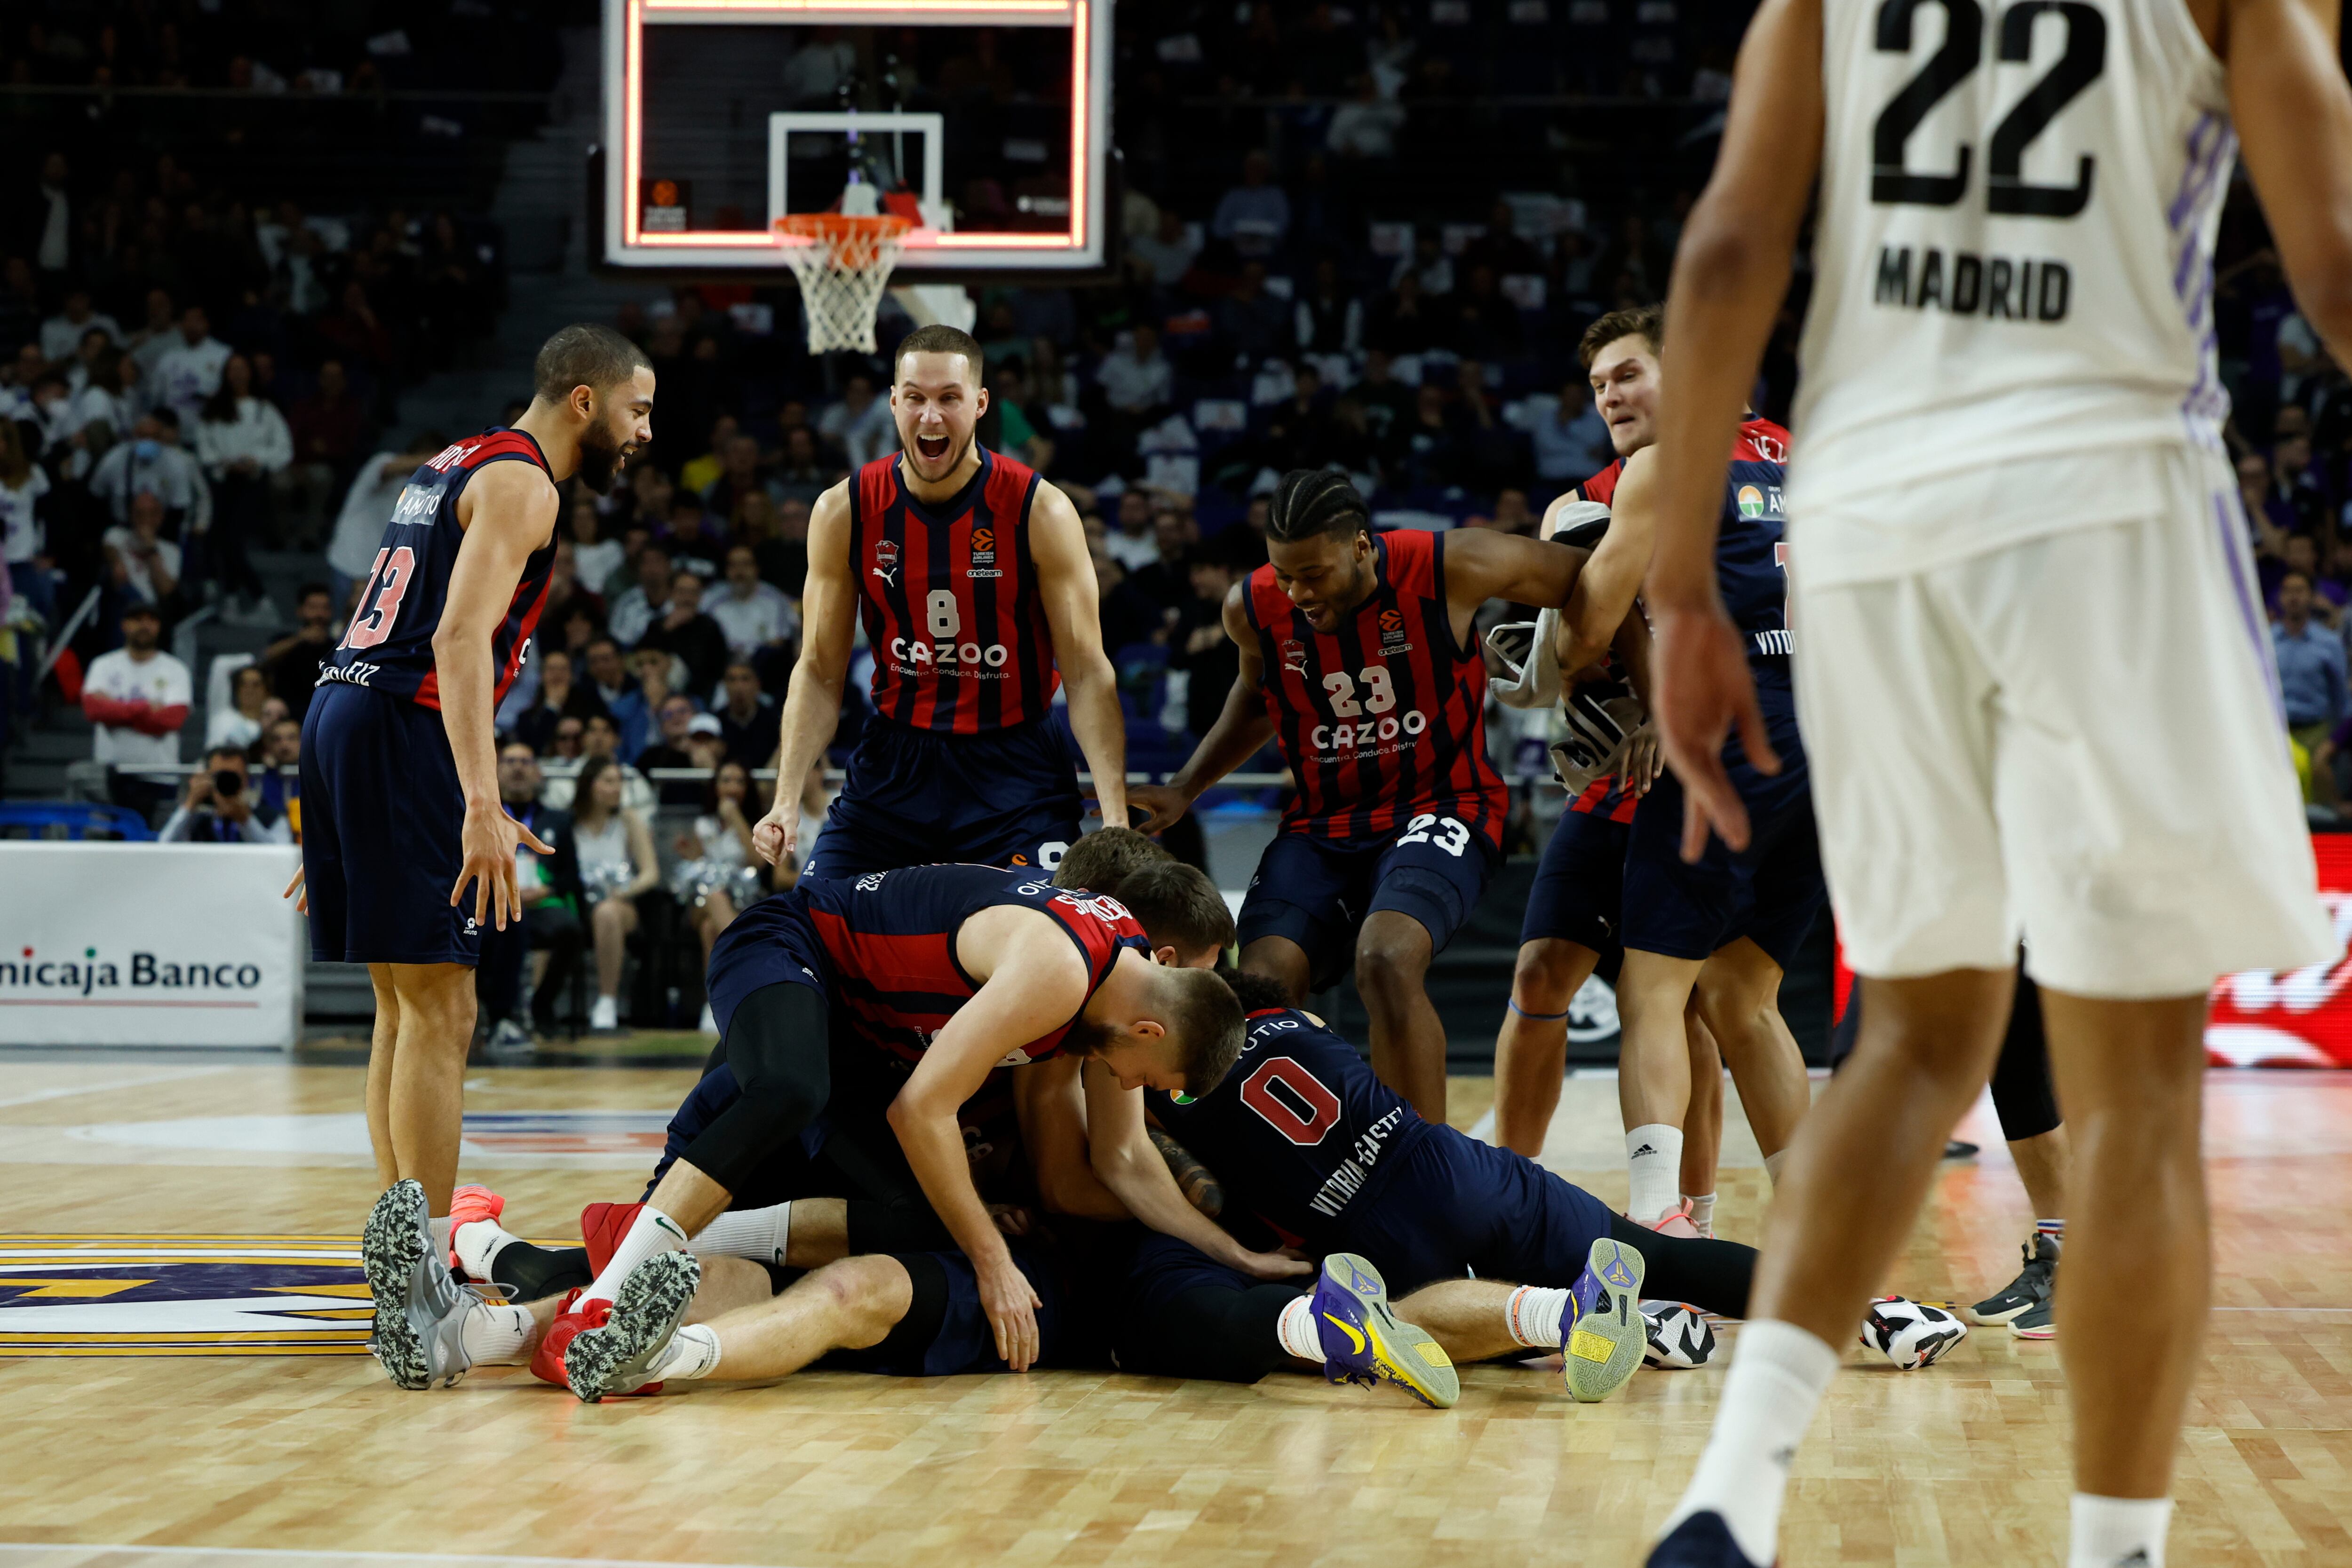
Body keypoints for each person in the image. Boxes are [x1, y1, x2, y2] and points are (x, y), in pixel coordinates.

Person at [1635, 0, 2342, 1560]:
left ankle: (1728, 1498)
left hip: (1873, 516)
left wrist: (1682, 587)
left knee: (1916, 1034)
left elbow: (1727, 248)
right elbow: (2338, 267)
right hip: (2102, 495)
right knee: (2137, 1091)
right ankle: (2118, 1548)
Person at [359, 861, 1286, 1393]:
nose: (1127, 1083)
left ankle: (471, 1315)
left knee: (879, 1221)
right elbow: (918, 1107)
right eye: (1144, 1073)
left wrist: (1235, 1254)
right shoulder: (1059, 976)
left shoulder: (1113, 971)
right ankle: (528, 1260)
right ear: (1152, 1022)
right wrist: (997, 1262)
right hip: (791, 950)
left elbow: (1117, 1158)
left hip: (852, 1039)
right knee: (792, 1092)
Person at [303, 323, 654, 1330]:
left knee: (400, 1006)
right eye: (637, 409)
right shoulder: (525, 483)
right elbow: (456, 638)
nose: (642, 432)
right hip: (399, 722)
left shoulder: (448, 460)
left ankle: (398, 1254)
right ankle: (423, 1282)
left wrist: (356, 798)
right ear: (582, 399)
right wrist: (481, 802)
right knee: (444, 1011)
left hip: (345, 707)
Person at [1129, 468, 1590, 1123]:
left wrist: (1602, 679)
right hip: (1323, 821)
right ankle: (1296, 1174)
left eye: (1314, 574)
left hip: (1444, 801)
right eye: (1285, 574)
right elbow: (1257, 701)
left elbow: (1594, 576)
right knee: (1259, 988)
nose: (1298, 592)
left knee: (1386, 959)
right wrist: (1186, 787)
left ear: (1362, 548)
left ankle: (1427, 1173)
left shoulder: (1451, 566)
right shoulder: (1252, 606)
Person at [1540, 304, 1824, 1230]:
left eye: (1629, 373)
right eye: (1597, 385)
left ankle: (1658, 1226)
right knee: (1744, 995)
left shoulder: (1661, 469)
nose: (1610, 396)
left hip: (1726, 734)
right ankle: (1816, 1229)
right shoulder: (1801, 452)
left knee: (1652, 989)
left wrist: (1546, 636)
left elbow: (1582, 628)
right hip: (1824, 741)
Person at [751, 324, 1128, 879]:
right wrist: (786, 797)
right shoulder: (845, 509)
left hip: (1016, 764)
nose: (930, 417)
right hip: (895, 766)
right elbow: (818, 671)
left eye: (948, 398)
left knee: (1044, 940)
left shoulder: (1039, 509)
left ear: (979, 404)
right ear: (893, 404)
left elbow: (1087, 673)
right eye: (915, 398)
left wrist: (1114, 815)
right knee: (814, 926)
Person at [476, 740, 586, 1048]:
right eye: (510, 762)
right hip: (494, 901)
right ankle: (497, 1011)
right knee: (499, 925)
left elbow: (571, 876)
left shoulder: (558, 820)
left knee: (570, 929)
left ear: (538, 772)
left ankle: (541, 1003)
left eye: (525, 762)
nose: (518, 768)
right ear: (496, 771)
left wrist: (545, 890)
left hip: (541, 903)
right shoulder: (482, 818)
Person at [192, 352, 292, 623]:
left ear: (250, 373)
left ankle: (260, 600)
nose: (237, 374)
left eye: (242, 369)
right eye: (232, 369)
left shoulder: (264, 409)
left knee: (232, 541)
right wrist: (223, 462)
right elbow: (204, 447)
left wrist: (257, 460)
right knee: (221, 540)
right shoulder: (214, 409)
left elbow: (283, 447)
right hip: (221, 482)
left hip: (251, 482)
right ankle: (233, 600)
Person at [568, 753, 662, 1033]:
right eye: (609, 781)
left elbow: (651, 873)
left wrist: (623, 892)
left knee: (607, 913)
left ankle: (607, 1000)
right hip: (578, 903)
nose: (617, 788)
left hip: (620, 905)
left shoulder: (628, 820)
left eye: (620, 781)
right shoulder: (569, 823)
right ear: (590, 785)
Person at [80, 602, 191, 818]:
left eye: (152, 620)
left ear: (159, 627)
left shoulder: (175, 670)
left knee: (154, 846)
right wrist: (145, 709)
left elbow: (172, 720)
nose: (145, 625)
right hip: (109, 774)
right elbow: (94, 711)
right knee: (105, 845)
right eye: (137, 619)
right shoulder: (103, 666)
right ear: (124, 625)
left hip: (158, 775)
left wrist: (115, 711)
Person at [160, 744, 292, 845]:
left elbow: (279, 857)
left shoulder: (273, 818)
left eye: (233, 778)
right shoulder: (197, 820)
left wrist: (246, 820)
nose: (226, 783)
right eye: (219, 777)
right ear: (208, 778)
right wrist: (190, 804)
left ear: (246, 779)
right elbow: (163, 847)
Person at [257, 584, 340, 721]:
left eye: (325, 608)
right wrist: (300, 638)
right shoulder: (284, 641)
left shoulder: (338, 648)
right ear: (300, 611)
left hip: (324, 714)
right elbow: (265, 658)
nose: (319, 614)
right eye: (313, 608)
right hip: (285, 715)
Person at [714, 660, 781, 771]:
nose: (738, 687)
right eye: (732, 680)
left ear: (758, 684)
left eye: (745, 679)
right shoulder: (715, 721)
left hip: (768, 784)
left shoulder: (774, 720)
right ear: (725, 685)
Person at [207, 663, 271, 751]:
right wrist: (251, 660)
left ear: (266, 691)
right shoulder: (221, 714)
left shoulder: (272, 727)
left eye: (256, 685)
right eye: (243, 685)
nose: (249, 690)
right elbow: (220, 665)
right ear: (237, 690)